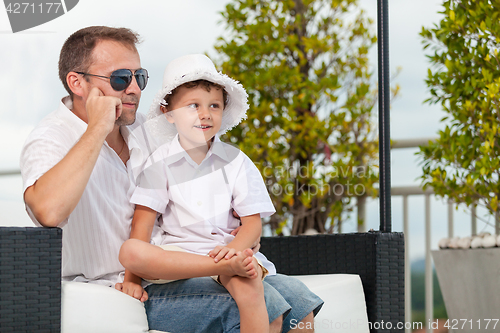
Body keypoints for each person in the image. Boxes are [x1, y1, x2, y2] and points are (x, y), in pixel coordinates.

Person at [19, 26, 322, 332]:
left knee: (298, 300)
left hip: (178, 267)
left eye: (140, 78)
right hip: (119, 286)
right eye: (121, 78)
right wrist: (97, 127)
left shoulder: (144, 130)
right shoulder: (50, 138)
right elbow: (48, 211)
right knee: (260, 305)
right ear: (77, 83)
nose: (135, 89)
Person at [118, 54, 304, 333]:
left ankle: (234, 274)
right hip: (183, 259)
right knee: (131, 250)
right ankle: (231, 274)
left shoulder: (237, 161)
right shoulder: (159, 165)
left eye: (214, 106)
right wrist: (132, 279)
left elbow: (252, 223)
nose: (205, 114)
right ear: (168, 113)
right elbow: (141, 227)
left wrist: (233, 251)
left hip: (231, 254)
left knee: (301, 303)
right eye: (193, 106)